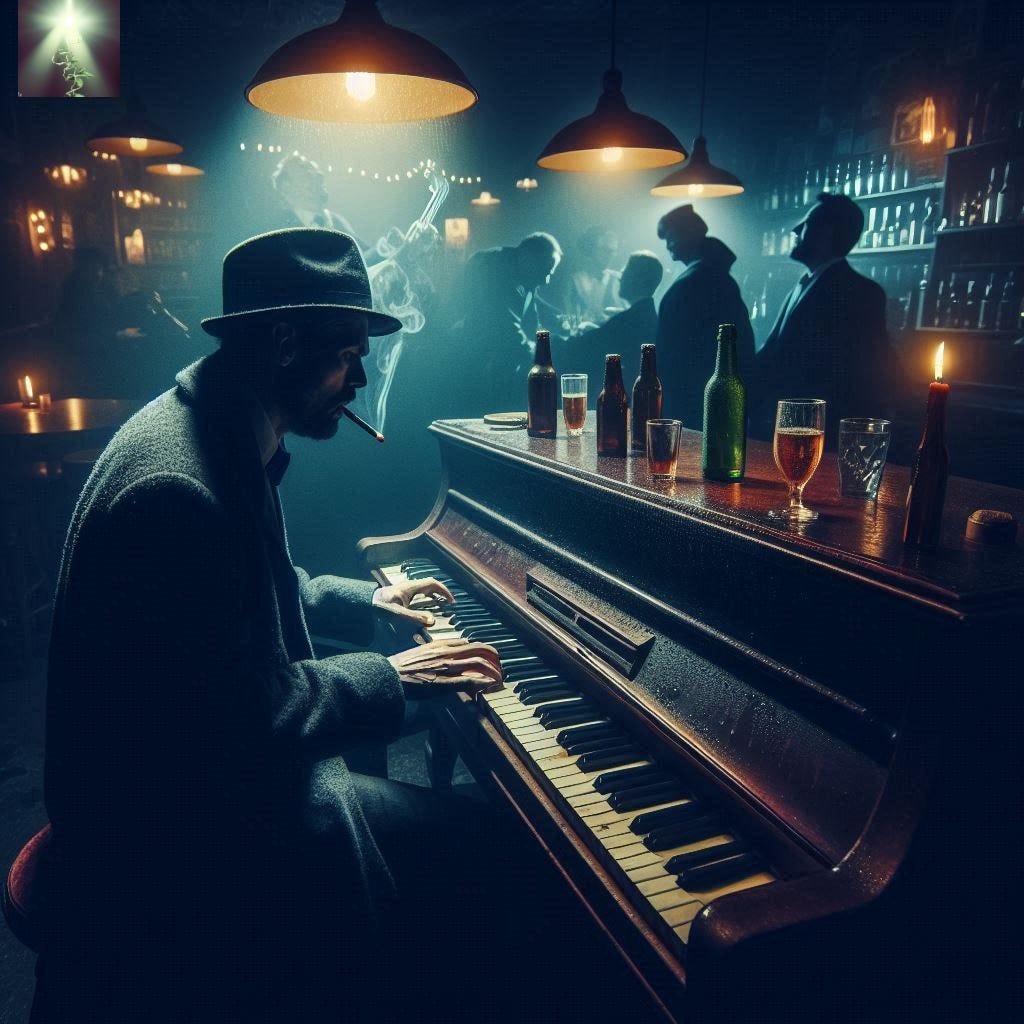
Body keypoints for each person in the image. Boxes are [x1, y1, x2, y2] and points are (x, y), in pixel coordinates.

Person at [36, 228, 513, 1022]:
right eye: (347, 354)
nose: (359, 378)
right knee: (492, 849)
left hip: (209, 795)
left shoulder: (213, 426)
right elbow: (242, 713)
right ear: (283, 341)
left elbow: (242, 592)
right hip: (182, 842)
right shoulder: (177, 487)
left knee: (469, 834)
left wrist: (362, 602)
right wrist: (395, 677)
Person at [752, 192, 906, 444]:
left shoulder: (858, 292)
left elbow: (859, 373)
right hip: (791, 426)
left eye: (808, 224)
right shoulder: (806, 284)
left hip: (821, 433)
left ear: (827, 233)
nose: (796, 229)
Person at [655, 205, 755, 429]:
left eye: (670, 236)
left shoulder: (697, 280)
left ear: (688, 234)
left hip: (691, 402)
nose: (668, 244)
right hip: (707, 398)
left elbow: (676, 352)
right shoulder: (714, 276)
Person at [459, 231, 562, 412]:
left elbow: (531, 321)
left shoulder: (524, 273)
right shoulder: (495, 269)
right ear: (528, 259)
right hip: (469, 363)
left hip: (485, 361)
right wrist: (540, 354)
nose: (546, 281)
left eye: (550, 273)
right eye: (545, 272)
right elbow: (506, 327)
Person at [563, 250, 663, 388]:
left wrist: (552, 343)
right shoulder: (644, 316)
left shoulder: (630, 320)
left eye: (624, 273)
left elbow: (585, 347)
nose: (619, 278)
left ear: (636, 279)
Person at [271, 153, 362, 239]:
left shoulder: (337, 221)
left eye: (317, 172)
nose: (320, 176)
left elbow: (364, 253)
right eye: (307, 174)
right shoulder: (278, 230)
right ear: (287, 188)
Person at [565, 226, 621, 327]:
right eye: (604, 249)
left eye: (613, 251)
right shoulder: (576, 280)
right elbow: (569, 314)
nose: (610, 255)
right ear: (591, 249)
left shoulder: (619, 280)